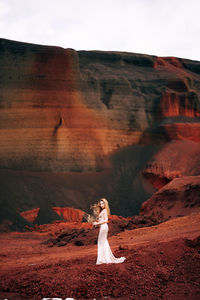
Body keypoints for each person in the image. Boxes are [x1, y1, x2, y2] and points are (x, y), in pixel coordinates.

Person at [92, 198, 126, 265]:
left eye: (103, 203)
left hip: (104, 227)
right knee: (103, 242)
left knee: (101, 242)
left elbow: (106, 220)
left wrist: (97, 223)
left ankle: (103, 259)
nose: (102, 205)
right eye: (101, 203)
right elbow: (102, 220)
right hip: (103, 227)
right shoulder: (103, 211)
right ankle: (104, 258)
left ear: (105, 204)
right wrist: (97, 222)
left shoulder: (104, 211)